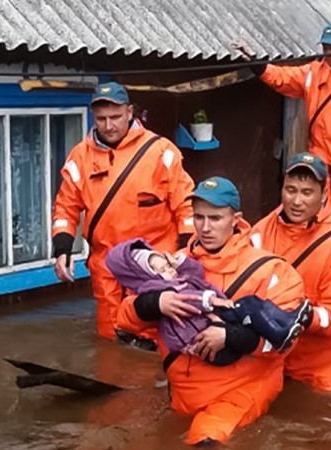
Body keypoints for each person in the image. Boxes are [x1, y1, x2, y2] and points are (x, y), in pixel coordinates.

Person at [116, 176, 306, 446]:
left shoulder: (272, 271)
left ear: (236, 220)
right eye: (199, 218)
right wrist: (155, 303)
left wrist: (230, 337)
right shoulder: (174, 264)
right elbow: (124, 322)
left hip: (240, 391)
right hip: (181, 394)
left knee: (205, 438)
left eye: (215, 218)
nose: (205, 227)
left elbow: (285, 343)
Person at [51, 82, 195, 340]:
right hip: (106, 263)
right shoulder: (80, 157)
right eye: (102, 119)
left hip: (154, 262)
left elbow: (186, 204)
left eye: (115, 117)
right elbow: (65, 207)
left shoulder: (161, 152)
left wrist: (186, 250)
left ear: (130, 113)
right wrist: (62, 251)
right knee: (109, 337)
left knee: (156, 336)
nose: (109, 125)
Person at [236, 23, 331, 236]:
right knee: (313, 211)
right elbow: (282, 78)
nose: (329, 53)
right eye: (325, 48)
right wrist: (256, 63)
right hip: (320, 156)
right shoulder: (313, 72)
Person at [251, 152, 331, 392]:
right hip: (269, 353)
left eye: (307, 192)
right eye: (290, 190)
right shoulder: (259, 232)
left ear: (324, 196)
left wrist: (304, 317)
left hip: (322, 362)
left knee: (325, 418)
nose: (296, 201)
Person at [106, 238, 313, 363]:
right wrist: (212, 301)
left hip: (220, 349)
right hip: (206, 345)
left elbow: (195, 273)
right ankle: (281, 332)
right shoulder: (156, 289)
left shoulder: (177, 271)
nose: (168, 271)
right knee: (249, 306)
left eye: (215, 217)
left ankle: (286, 322)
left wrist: (179, 263)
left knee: (252, 306)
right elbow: (189, 299)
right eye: (161, 270)